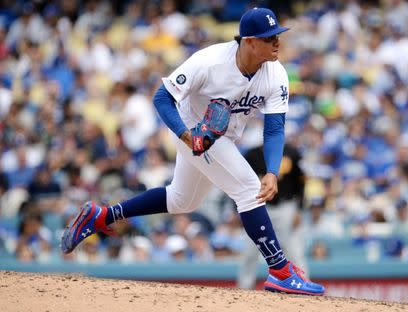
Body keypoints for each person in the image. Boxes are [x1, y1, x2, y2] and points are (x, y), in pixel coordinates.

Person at [61, 7, 325, 295]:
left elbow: (274, 129)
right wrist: (186, 136)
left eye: (277, 35)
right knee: (249, 190)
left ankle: (102, 216)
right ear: (248, 41)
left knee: (182, 200)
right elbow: (162, 98)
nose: (277, 42)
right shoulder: (209, 62)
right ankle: (281, 270)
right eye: (269, 37)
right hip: (193, 129)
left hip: (221, 136)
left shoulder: (276, 74)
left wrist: (273, 171)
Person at [237, 142, 308, 289]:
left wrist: (299, 209)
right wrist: (238, 209)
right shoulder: (252, 154)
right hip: (258, 206)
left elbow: (301, 182)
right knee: (250, 251)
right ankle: (244, 289)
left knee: (292, 249)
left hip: (285, 207)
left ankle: (303, 283)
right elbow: (239, 182)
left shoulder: (291, 152)